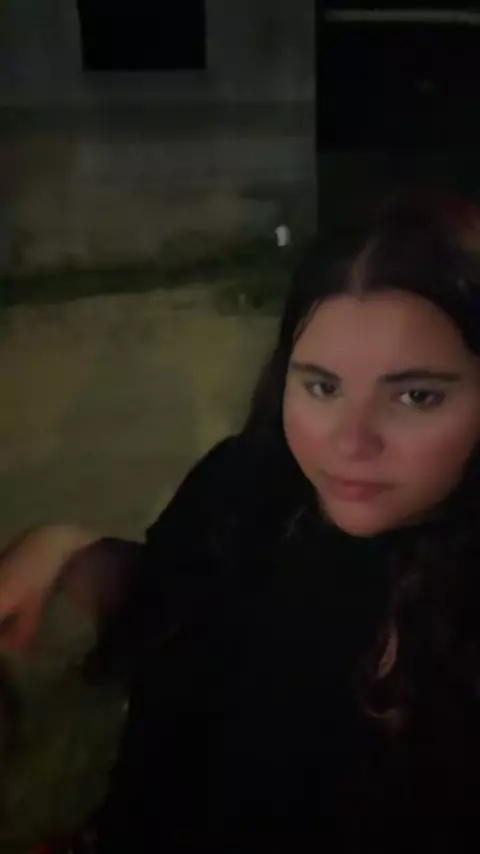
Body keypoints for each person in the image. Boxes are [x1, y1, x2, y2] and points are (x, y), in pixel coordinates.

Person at [2, 192, 480, 851]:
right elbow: (174, 605)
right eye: (322, 386)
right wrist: (68, 551)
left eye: (416, 396)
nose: (350, 441)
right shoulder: (245, 482)